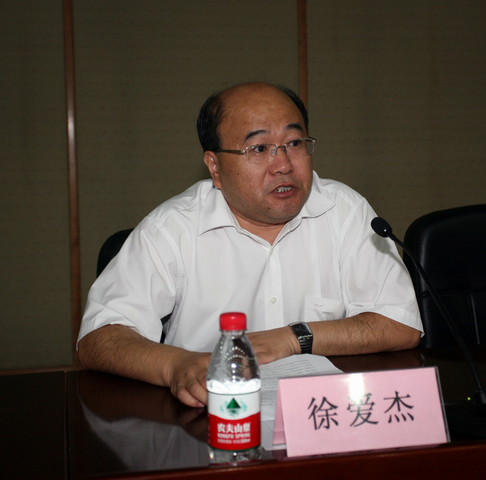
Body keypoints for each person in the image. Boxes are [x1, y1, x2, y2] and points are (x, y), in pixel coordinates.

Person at [78, 82, 423, 408]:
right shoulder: (172, 227)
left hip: (321, 414)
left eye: (295, 143)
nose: (284, 165)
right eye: (259, 149)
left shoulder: (344, 211)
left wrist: (294, 338)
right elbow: (99, 337)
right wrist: (176, 365)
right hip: (211, 416)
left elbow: (400, 324)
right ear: (215, 166)